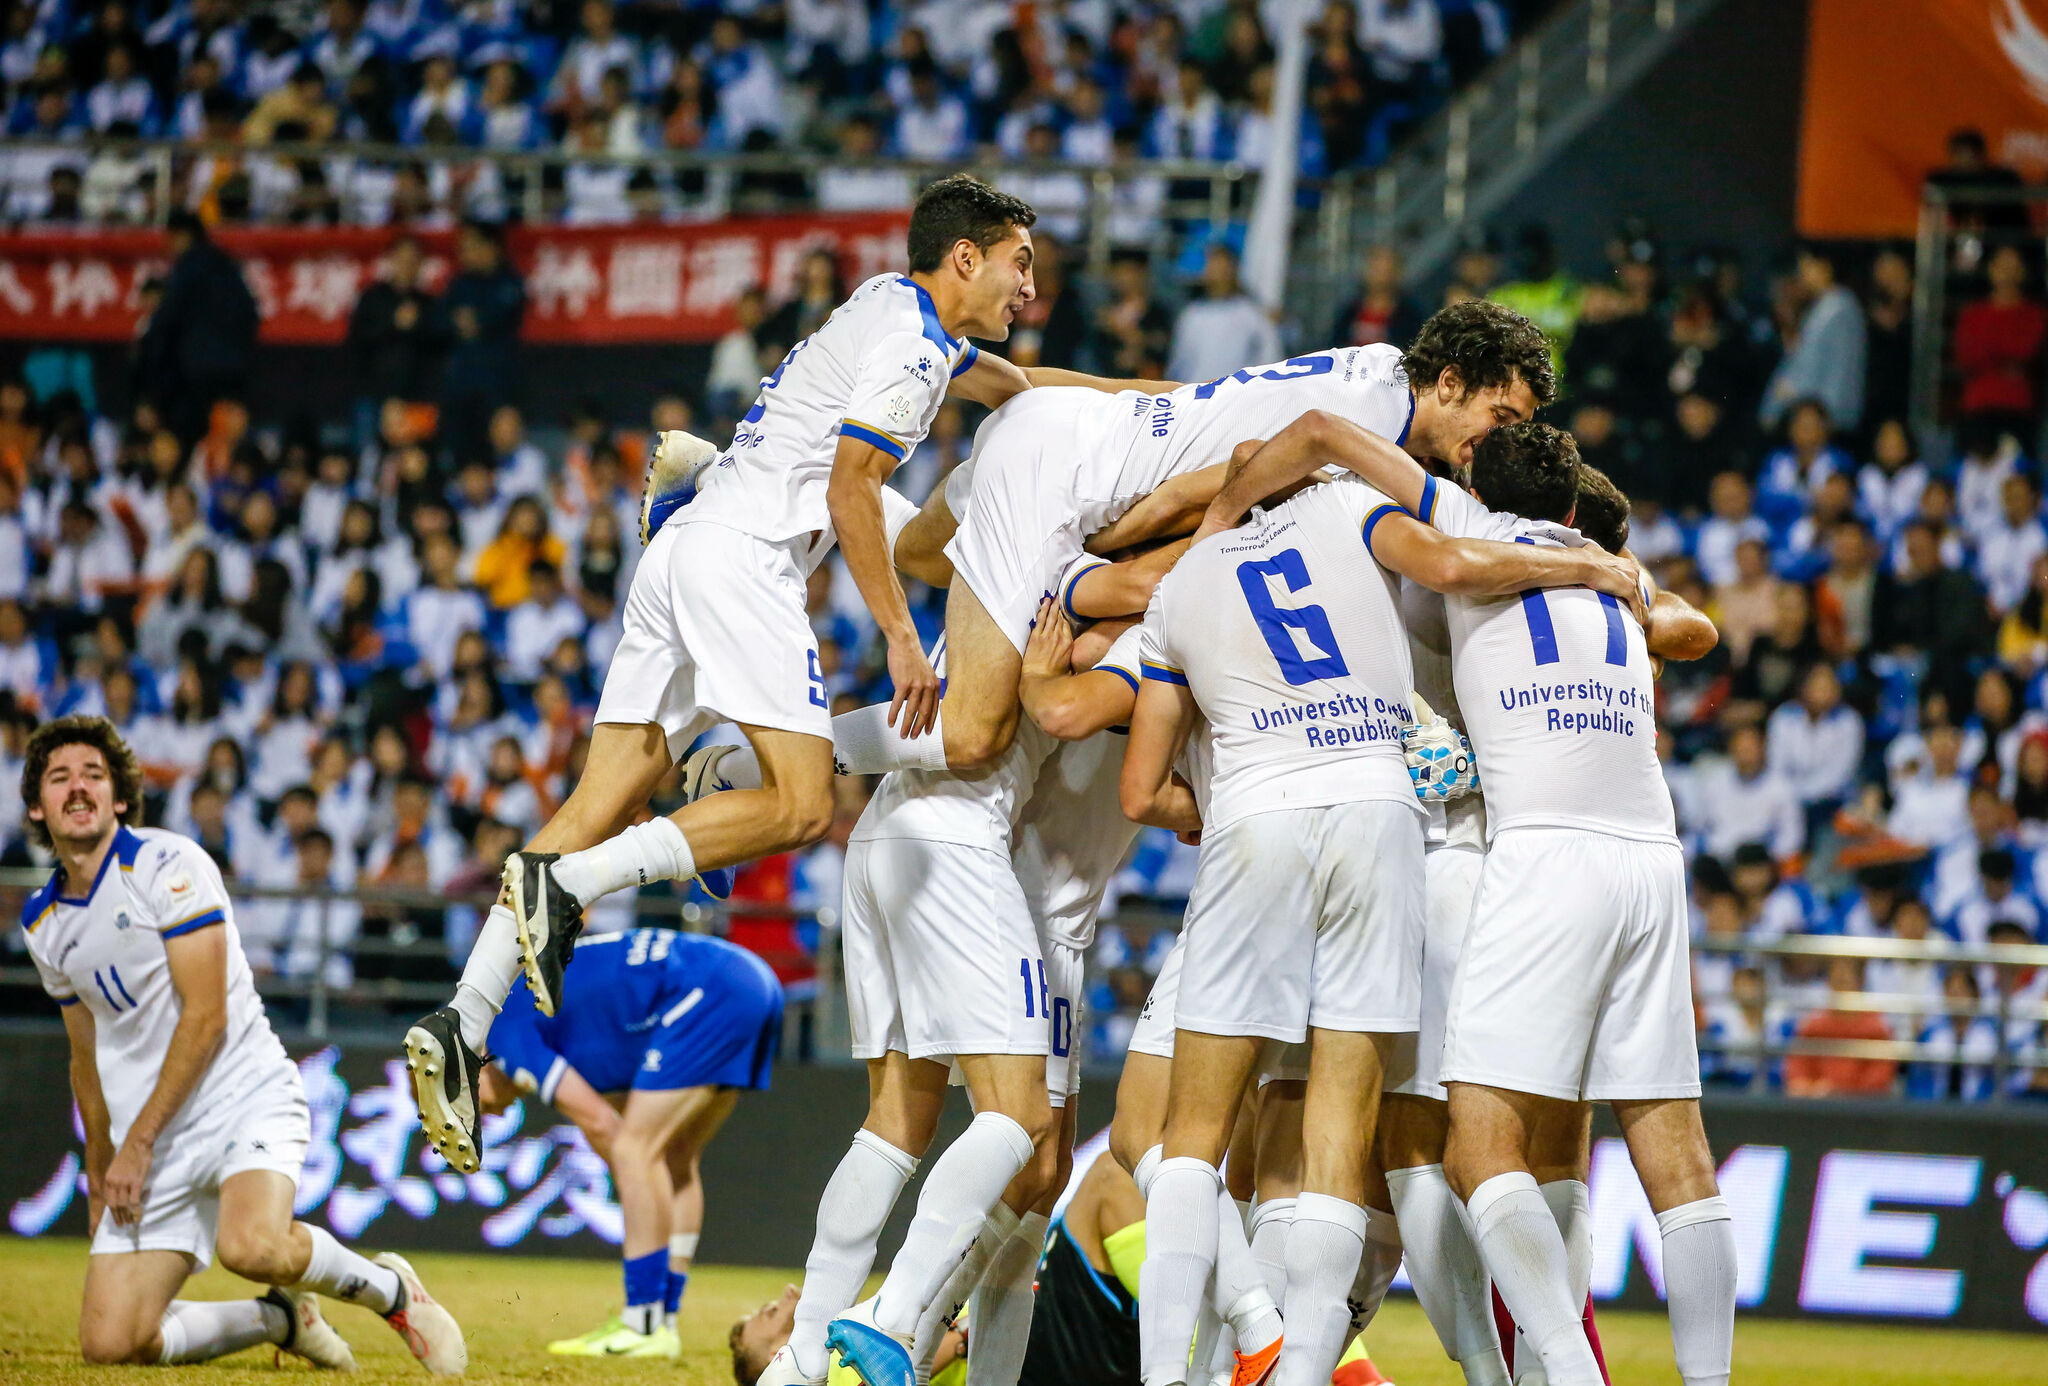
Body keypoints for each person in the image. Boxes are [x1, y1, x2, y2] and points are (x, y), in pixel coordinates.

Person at [408, 176, 1121, 1172]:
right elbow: (850, 485)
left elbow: (1026, 388)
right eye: (1019, 264)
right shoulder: (916, 350)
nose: (1029, 288)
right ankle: (585, 879)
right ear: (966, 257)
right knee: (794, 808)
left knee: (598, 798)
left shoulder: (886, 304)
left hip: (684, 551)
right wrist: (900, 638)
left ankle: (460, 1020)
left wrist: (1154, 403)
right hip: (745, 560)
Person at [1121, 441, 1643, 1386]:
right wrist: (1595, 568)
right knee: (1374, 1140)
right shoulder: (1366, 522)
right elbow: (1450, 565)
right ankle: (1357, 1360)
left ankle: (1232, 1361)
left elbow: (1133, 781)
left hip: (1297, 833)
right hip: (1421, 841)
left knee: (1230, 1139)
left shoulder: (1191, 581)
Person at [1240, 420, 1735, 1386]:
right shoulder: (1610, 576)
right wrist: (1620, 579)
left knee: (1461, 1144)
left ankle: (1544, 1370)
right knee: (1667, 1146)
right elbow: (1697, 630)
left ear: (1473, 480)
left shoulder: (1458, 531)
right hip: (1650, 856)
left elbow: (1334, 438)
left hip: (1523, 856)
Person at [20, 714, 464, 1373]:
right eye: (60, 778)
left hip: (242, 1097)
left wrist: (133, 1148)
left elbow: (206, 1021)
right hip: (155, 1134)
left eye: (94, 775)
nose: (78, 788)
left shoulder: (169, 865)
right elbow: (86, 1056)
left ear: (120, 797)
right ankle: (279, 1318)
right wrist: (99, 1166)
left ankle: (393, 1291)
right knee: (112, 1342)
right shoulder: (44, 923)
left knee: (251, 1246)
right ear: (36, 805)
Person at [476, 926, 783, 1358]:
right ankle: (663, 1322)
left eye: (462, 1104)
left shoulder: (505, 1033)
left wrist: (630, 1160)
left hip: (711, 990)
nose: (482, 1116)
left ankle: (641, 1320)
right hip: (744, 978)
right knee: (675, 1156)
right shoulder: (528, 1008)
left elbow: (606, 1128)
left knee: (636, 1150)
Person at [138, 211, 259, 449]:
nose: (168, 247)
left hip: (192, 378)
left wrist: (151, 386)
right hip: (234, 377)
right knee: (228, 446)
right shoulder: (227, 266)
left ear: (183, 236)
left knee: (189, 443)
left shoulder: (187, 268)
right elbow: (251, 315)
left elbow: (166, 323)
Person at [1166, 243, 1282, 385]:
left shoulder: (1252, 315)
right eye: (1212, 266)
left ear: (1233, 270)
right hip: (1196, 394)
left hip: (1235, 396)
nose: (1217, 273)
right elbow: (1180, 362)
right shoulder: (1192, 315)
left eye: (1222, 267)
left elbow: (1269, 357)